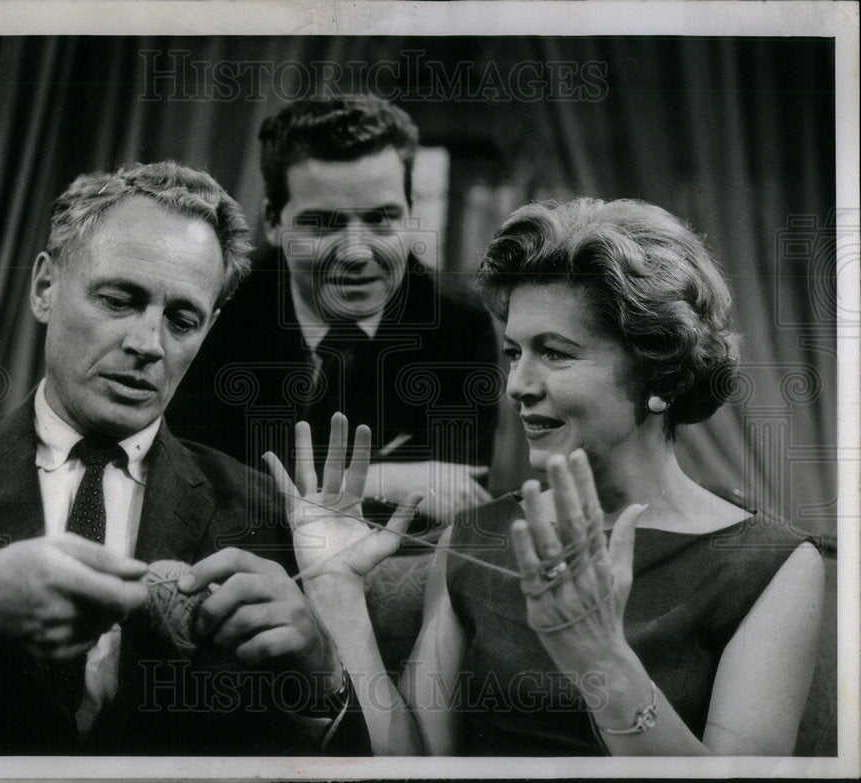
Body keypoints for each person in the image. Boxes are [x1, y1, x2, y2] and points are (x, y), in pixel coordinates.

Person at [256, 198, 825, 755]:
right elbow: (415, 764)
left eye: (554, 353)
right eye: (513, 353)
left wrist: (604, 659)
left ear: (662, 370)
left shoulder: (769, 566)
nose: (517, 386)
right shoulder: (476, 535)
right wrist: (337, 589)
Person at [0, 161, 369, 756]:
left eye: (182, 320)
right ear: (44, 288)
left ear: (208, 330)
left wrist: (321, 676)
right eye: (119, 300)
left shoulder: (267, 517)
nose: (148, 344)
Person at [166, 95, 498, 529]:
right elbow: (192, 488)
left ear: (410, 212)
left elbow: (452, 503)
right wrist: (378, 480)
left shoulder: (459, 328)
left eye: (381, 218)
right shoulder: (215, 311)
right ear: (272, 222)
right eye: (323, 224)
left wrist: (287, 486)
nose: (358, 253)